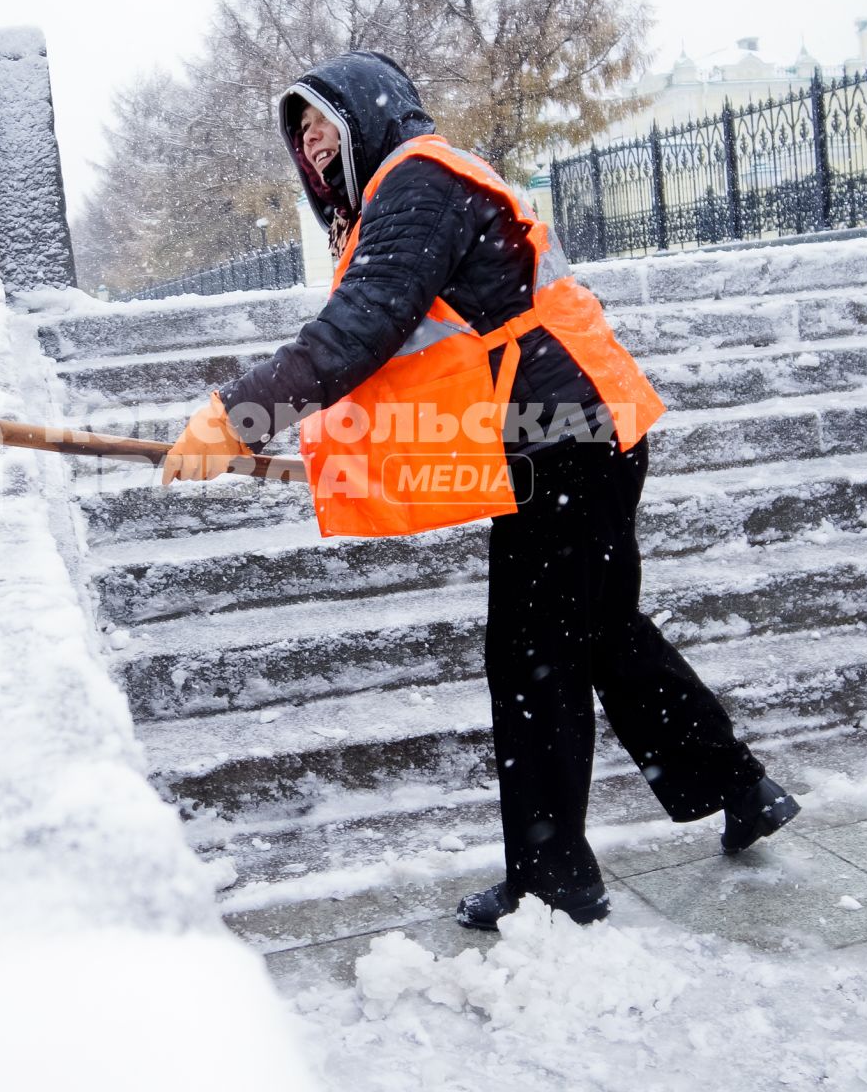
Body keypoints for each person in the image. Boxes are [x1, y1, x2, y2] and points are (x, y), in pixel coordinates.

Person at [158, 50, 798, 931]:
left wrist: (238, 414)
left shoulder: (417, 182)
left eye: (323, 128)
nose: (312, 151)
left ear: (368, 118)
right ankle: (740, 788)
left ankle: (552, 882)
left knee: (536, 660)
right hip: (584, 428)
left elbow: (361, 327)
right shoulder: (419, 182)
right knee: (602, 634)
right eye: (299, 139)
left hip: (561, 442)